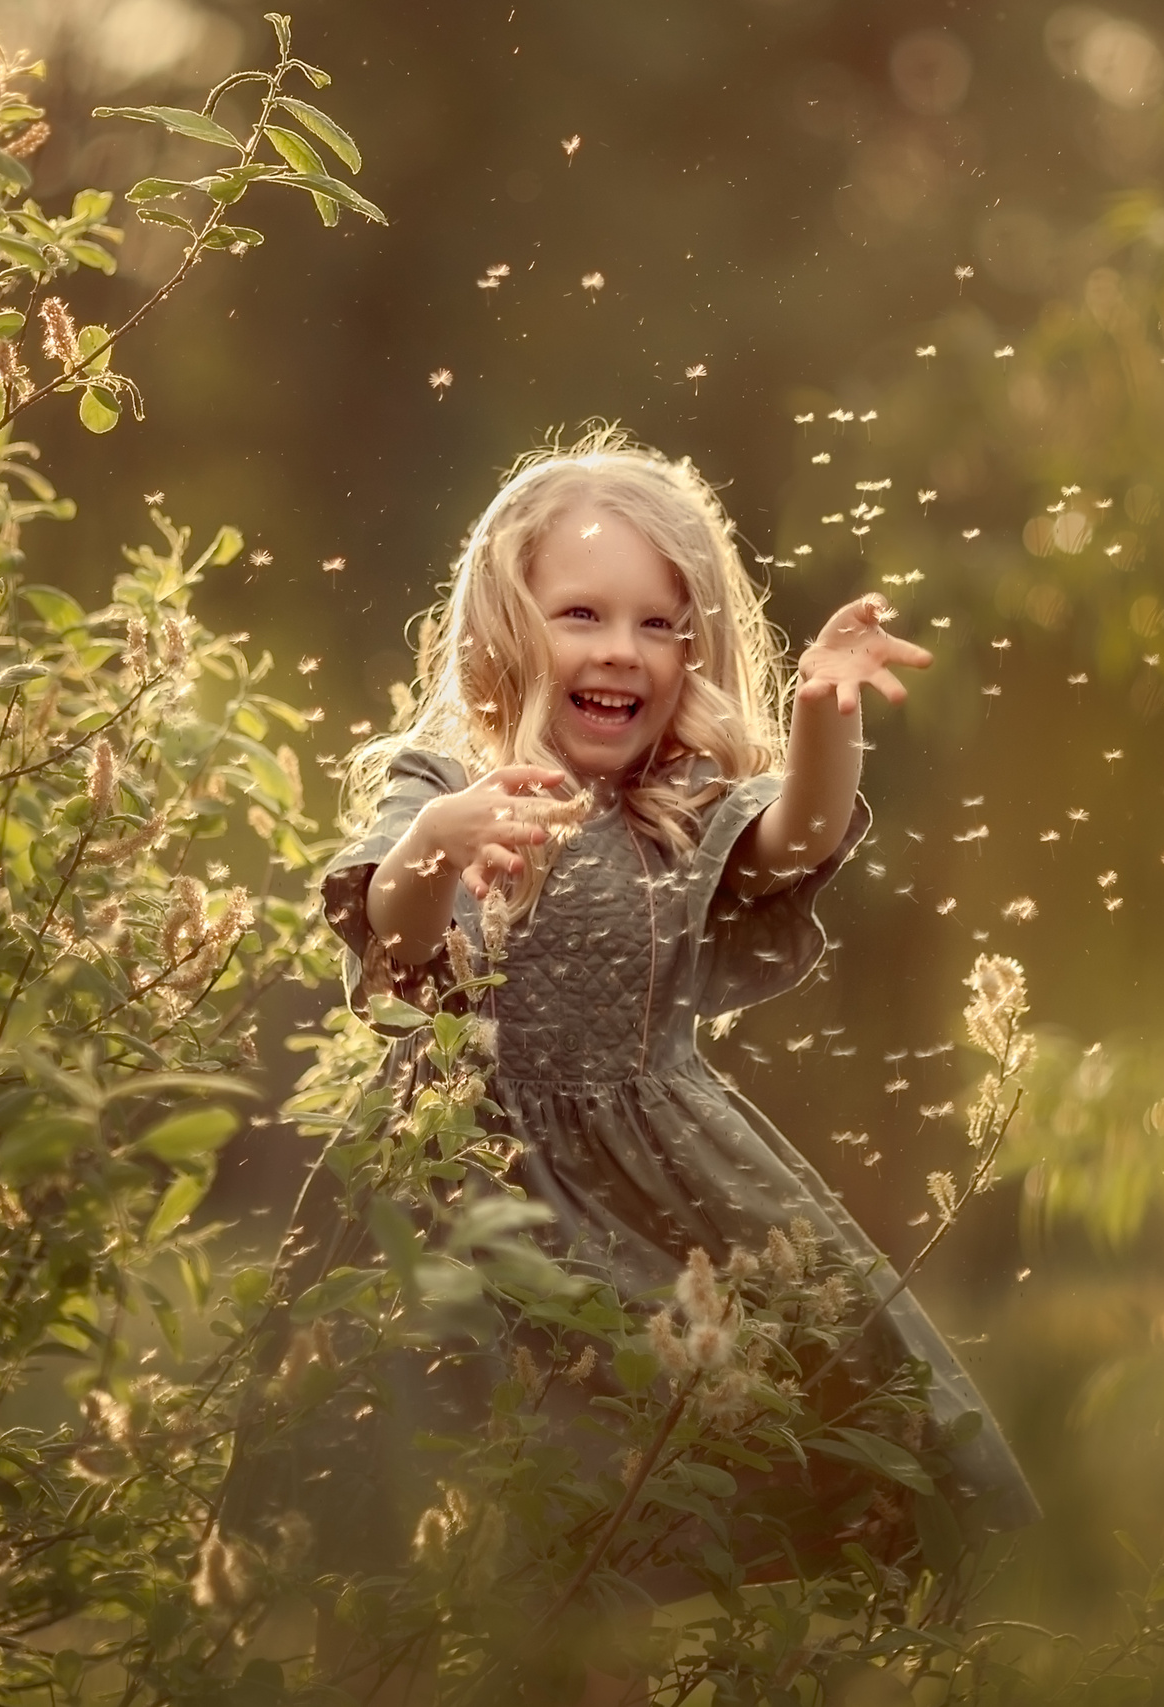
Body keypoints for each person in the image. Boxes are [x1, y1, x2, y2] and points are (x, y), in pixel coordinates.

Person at [299, 428, 1040, 1594]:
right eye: (581, 614)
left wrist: (825, 714)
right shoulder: (441, 787)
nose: (622, 649)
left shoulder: (678, 811)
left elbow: (796, 831)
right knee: (462, 1528)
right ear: (504, 626)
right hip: (457, 1196)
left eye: (658, 624)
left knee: (640, 1515)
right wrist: (442, 849)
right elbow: (391, 929)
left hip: (651, 1204)